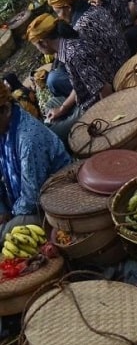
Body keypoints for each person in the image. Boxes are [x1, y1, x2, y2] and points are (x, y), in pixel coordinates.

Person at [26, 14, 116, 139]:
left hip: (93, 104)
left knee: (52, 133)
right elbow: (79, 83)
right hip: (83, 96)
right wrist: (63, 109)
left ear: (43, 43)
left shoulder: (73, 55)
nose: (39, 51)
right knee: (51, 105)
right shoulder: (67, 46)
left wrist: (108, 119)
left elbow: (104, 88)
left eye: (37, 47)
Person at [0, 83, 71, 239]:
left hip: (51, 202)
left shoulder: (28, 140)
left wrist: (10, 215)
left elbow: (31, 200)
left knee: (6, 234)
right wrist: (2, 210)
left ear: (5, 109)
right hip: (19, 202)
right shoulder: (4, 129)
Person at [47, 0, 129, 75]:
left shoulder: (80, 27)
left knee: (55, 79)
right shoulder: (96, 8)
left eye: (58, 12)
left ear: (68, 8)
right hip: (126, 56)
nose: (59, 17)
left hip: (116, 71)